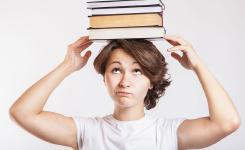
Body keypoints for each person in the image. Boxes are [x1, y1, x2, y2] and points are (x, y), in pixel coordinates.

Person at [9, 35, 240, 150]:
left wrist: (198, 66)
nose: (125, 81)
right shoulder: (87, 131)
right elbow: (22, 113)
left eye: (138, 71)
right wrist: (67, 65)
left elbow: (227, 123)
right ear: (105, 79)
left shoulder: (168, 133)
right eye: (116, 69)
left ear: (151, 81)